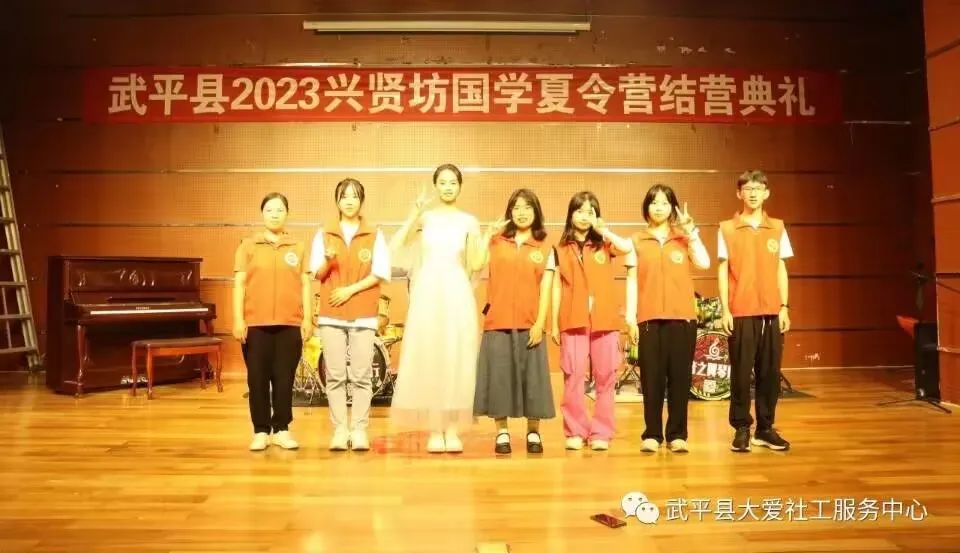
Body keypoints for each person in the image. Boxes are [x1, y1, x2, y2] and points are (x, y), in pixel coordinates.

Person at [389, 164, 483, 453]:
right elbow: (397, 246)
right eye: (442, 182)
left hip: (456, 292)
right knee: (430, 356)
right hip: (428, 293)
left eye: (453, 182)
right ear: (435, 186)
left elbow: (476, 263)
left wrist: (488, 239)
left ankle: (452, 428)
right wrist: (414, 213)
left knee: (456, 357)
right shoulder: (425, 219)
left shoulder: (469, 221)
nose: (448, 187)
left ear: (460, 186)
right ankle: (434, 428)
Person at [625, 184, 709, 454]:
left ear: (673, 207)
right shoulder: (637, 240)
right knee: (652, 379)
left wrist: (691, 232)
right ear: (646, 207)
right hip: (649, 319)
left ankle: (677, 434)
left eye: (664, 203)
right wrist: (630, 318)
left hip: (682, 319)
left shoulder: (683, 238)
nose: (659, 208)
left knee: (680, 379)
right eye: (654, 202)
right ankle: (652, 434)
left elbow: (704, 263)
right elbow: (631, 281)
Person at [473, 189, 556, 455]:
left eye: (527, 207)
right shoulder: (496, 241)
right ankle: (502, 432)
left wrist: (540, 324)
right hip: (497, 322)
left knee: (534, 381)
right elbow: (475, 264)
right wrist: (486, 234)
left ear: (536, 212)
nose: (522, 213)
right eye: (517, 207)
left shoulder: (545, 246)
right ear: (510, 211)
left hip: (530, 323)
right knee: (499, 379)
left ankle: (533, 431)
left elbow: (546, 287)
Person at [310, 178, 390, 452]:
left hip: (363, 312)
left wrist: (349, 291)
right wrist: (328, 259)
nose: (349, 201)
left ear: (361, 201)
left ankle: (359, 429)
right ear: (337, 201)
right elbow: (317, 274)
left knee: (361, 375)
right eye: (344, 196)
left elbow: (379, 273)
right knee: (334, 375)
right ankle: (339, 429)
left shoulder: (374, 234)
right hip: (331, 314)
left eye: (354, 196)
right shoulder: (323, 234)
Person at [550, 191, 634, 451]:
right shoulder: (559, 248)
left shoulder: (604, 245)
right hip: (572, 320)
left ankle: (601, 432)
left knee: (605, 376)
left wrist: (604, 230)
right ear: (570, 214)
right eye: (579, 211)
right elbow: (556, 286)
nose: (584, 216)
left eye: (590, 211)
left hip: (605, 320)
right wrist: (554, 323)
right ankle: (575, 430)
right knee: (573, 376)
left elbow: (627, 248)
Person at [718, 170, 793, 452]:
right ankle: (741, 428)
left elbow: (781, 268)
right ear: (739, 193)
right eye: (747, 188)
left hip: (772, 311)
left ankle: (765, 428)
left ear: (766, 193)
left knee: (770, 373)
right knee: (740, 374)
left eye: (758, 188)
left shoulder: (778, 227)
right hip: (741, 311)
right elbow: (723, 269)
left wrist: (784, 307)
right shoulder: (727, 228)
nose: (753, 193)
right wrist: (725, 309)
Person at [233, 192, 312, 451]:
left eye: (279, 210)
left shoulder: (297, 247)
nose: (275, 214)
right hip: (256, 324)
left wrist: (308, 318)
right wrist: (238, 319)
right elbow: (239, 284)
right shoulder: (248, 246)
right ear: (262, 214)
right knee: (257, 379)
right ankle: (260, 430)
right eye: (269, 210)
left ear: (287, 214)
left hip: (290, 324)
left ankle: (281, 429)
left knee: (284, 379)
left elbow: (305, 284)